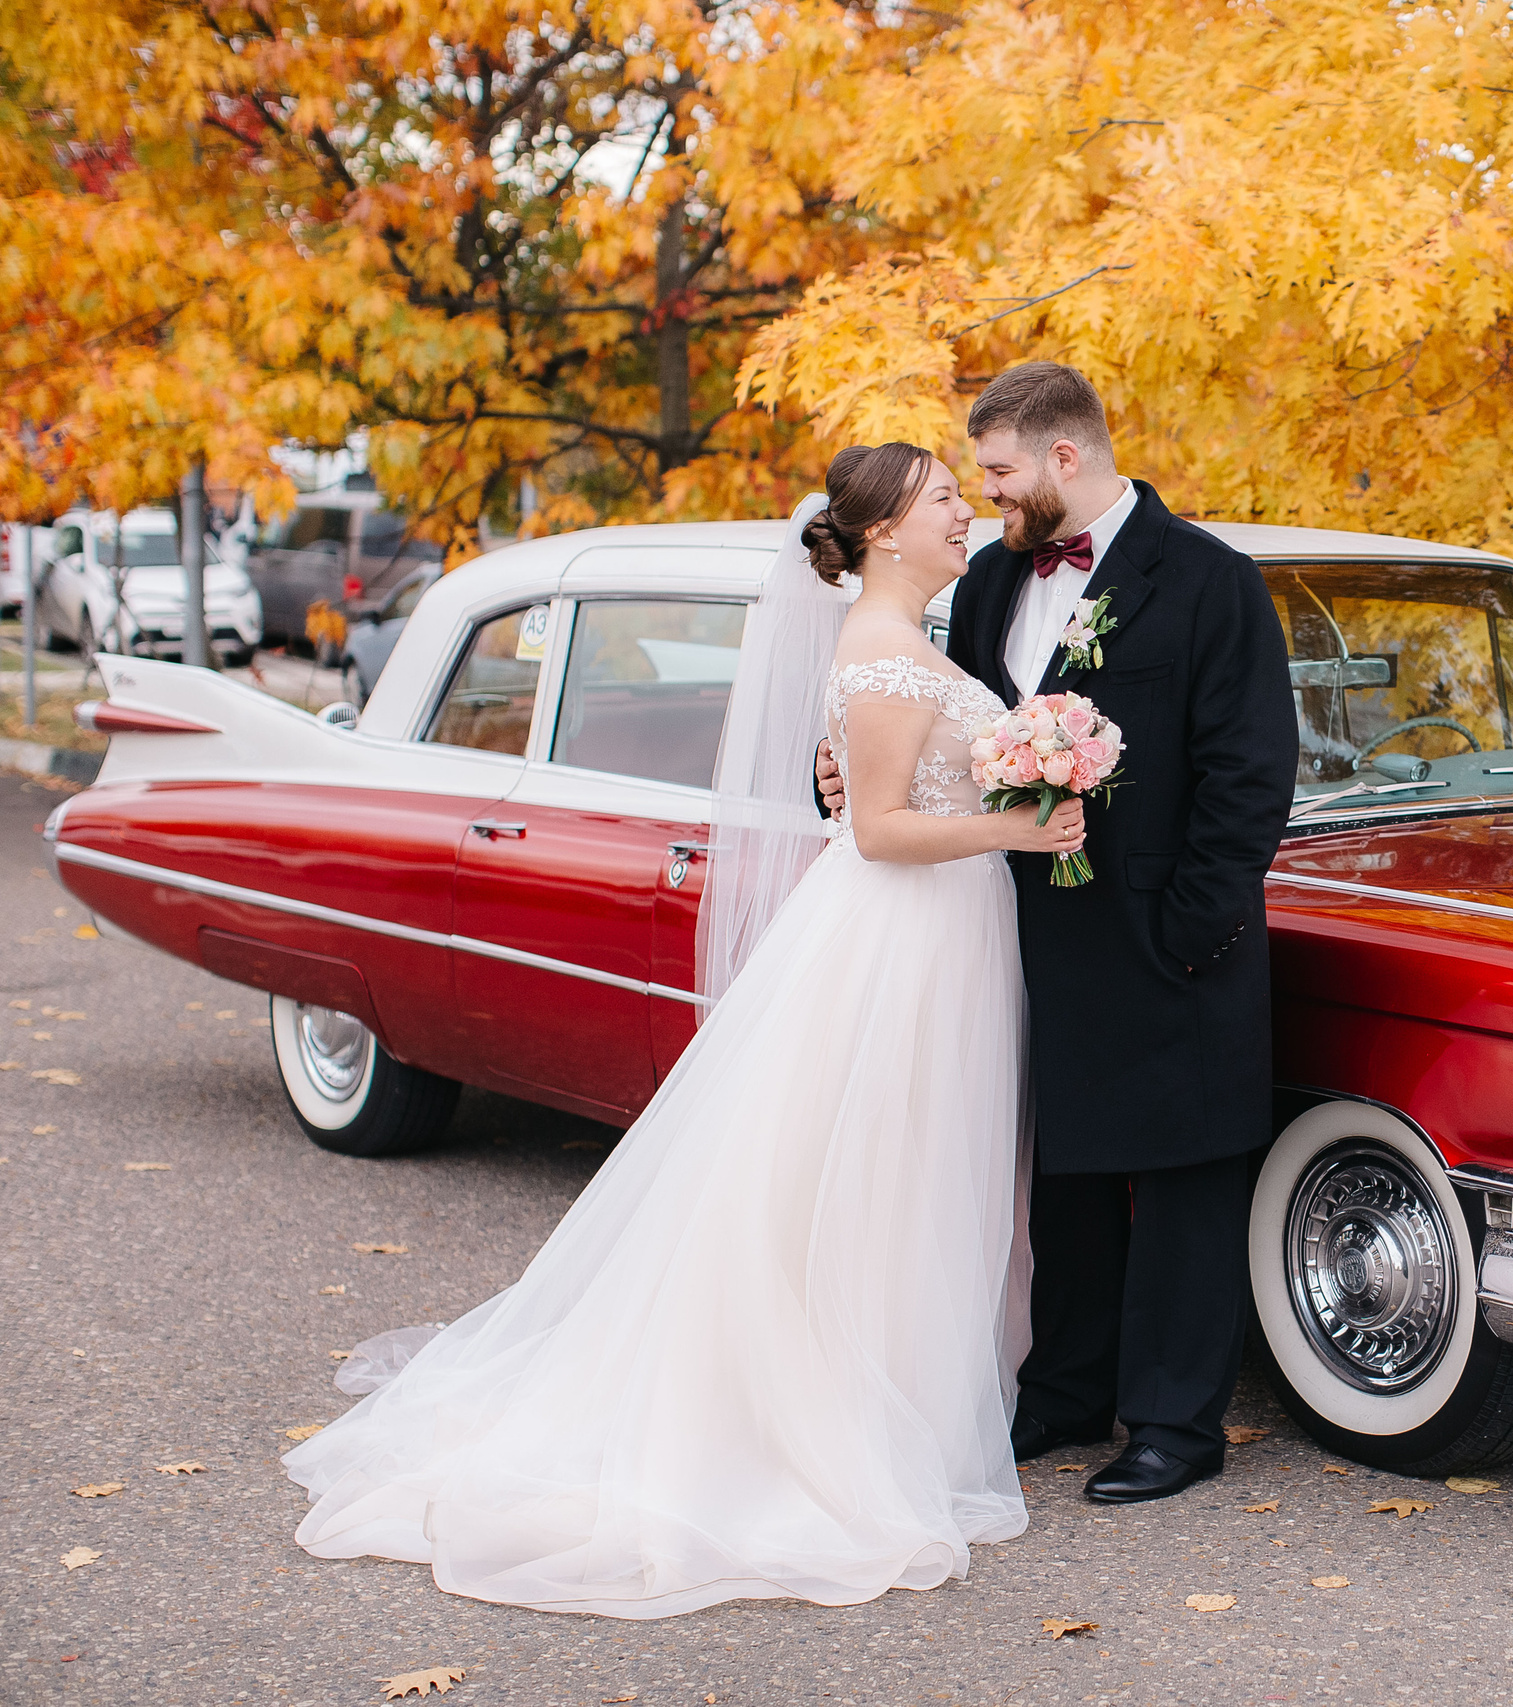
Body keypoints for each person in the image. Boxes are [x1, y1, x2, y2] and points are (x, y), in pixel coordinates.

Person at [282, 446, 1086, 1618]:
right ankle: (830, 1419)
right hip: (897, 938)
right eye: (945, 501)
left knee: (911, 1169)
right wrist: (1018, 830)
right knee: (863, 1171)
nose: (967, 512)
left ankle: (905, 1399)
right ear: (880, 533)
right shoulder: (880, 658)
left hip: (944, 939)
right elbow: (875, 831)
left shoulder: (911, 652)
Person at [819, 362, 1295, 1504]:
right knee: (1065, 1183)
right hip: (1020, 937)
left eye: (994, 472)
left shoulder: (1211, 583)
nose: (984, 498)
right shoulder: (986, 583)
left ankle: (1176, 1424)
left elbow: (1250, 776)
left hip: (1172, 943)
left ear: (1062, 459)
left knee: (1183, 1182)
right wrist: (833, 773)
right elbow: (927, 732)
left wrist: (1187, 931)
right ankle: (1067, 1390)